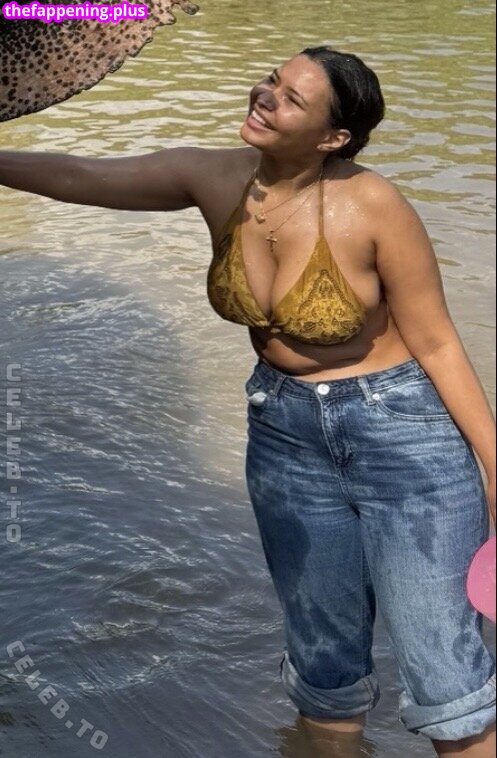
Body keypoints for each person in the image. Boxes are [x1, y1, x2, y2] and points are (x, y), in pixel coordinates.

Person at [1, 46, 495, 757]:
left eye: (292, 99)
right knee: (323, 671)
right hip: (283, 433)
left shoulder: (372, 204)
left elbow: (438, 342)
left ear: (333, 137)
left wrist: (493, 466)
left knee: (448, 681)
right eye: (271, 80)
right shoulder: (215, 177)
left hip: (402, 437)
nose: (266, 96)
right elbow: (80, 176)